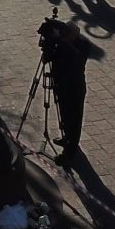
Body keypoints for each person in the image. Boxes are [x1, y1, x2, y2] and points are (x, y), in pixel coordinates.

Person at [42, 17, 90, 163]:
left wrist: (61, 41)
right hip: (61, 85)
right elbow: (49, 58)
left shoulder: (82, 45)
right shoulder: (62, 43)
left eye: (67, 34)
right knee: (64, 113)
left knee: (74, 120)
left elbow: (76, 58)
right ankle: (66, 138)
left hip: (74, 89)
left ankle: (70, 151)